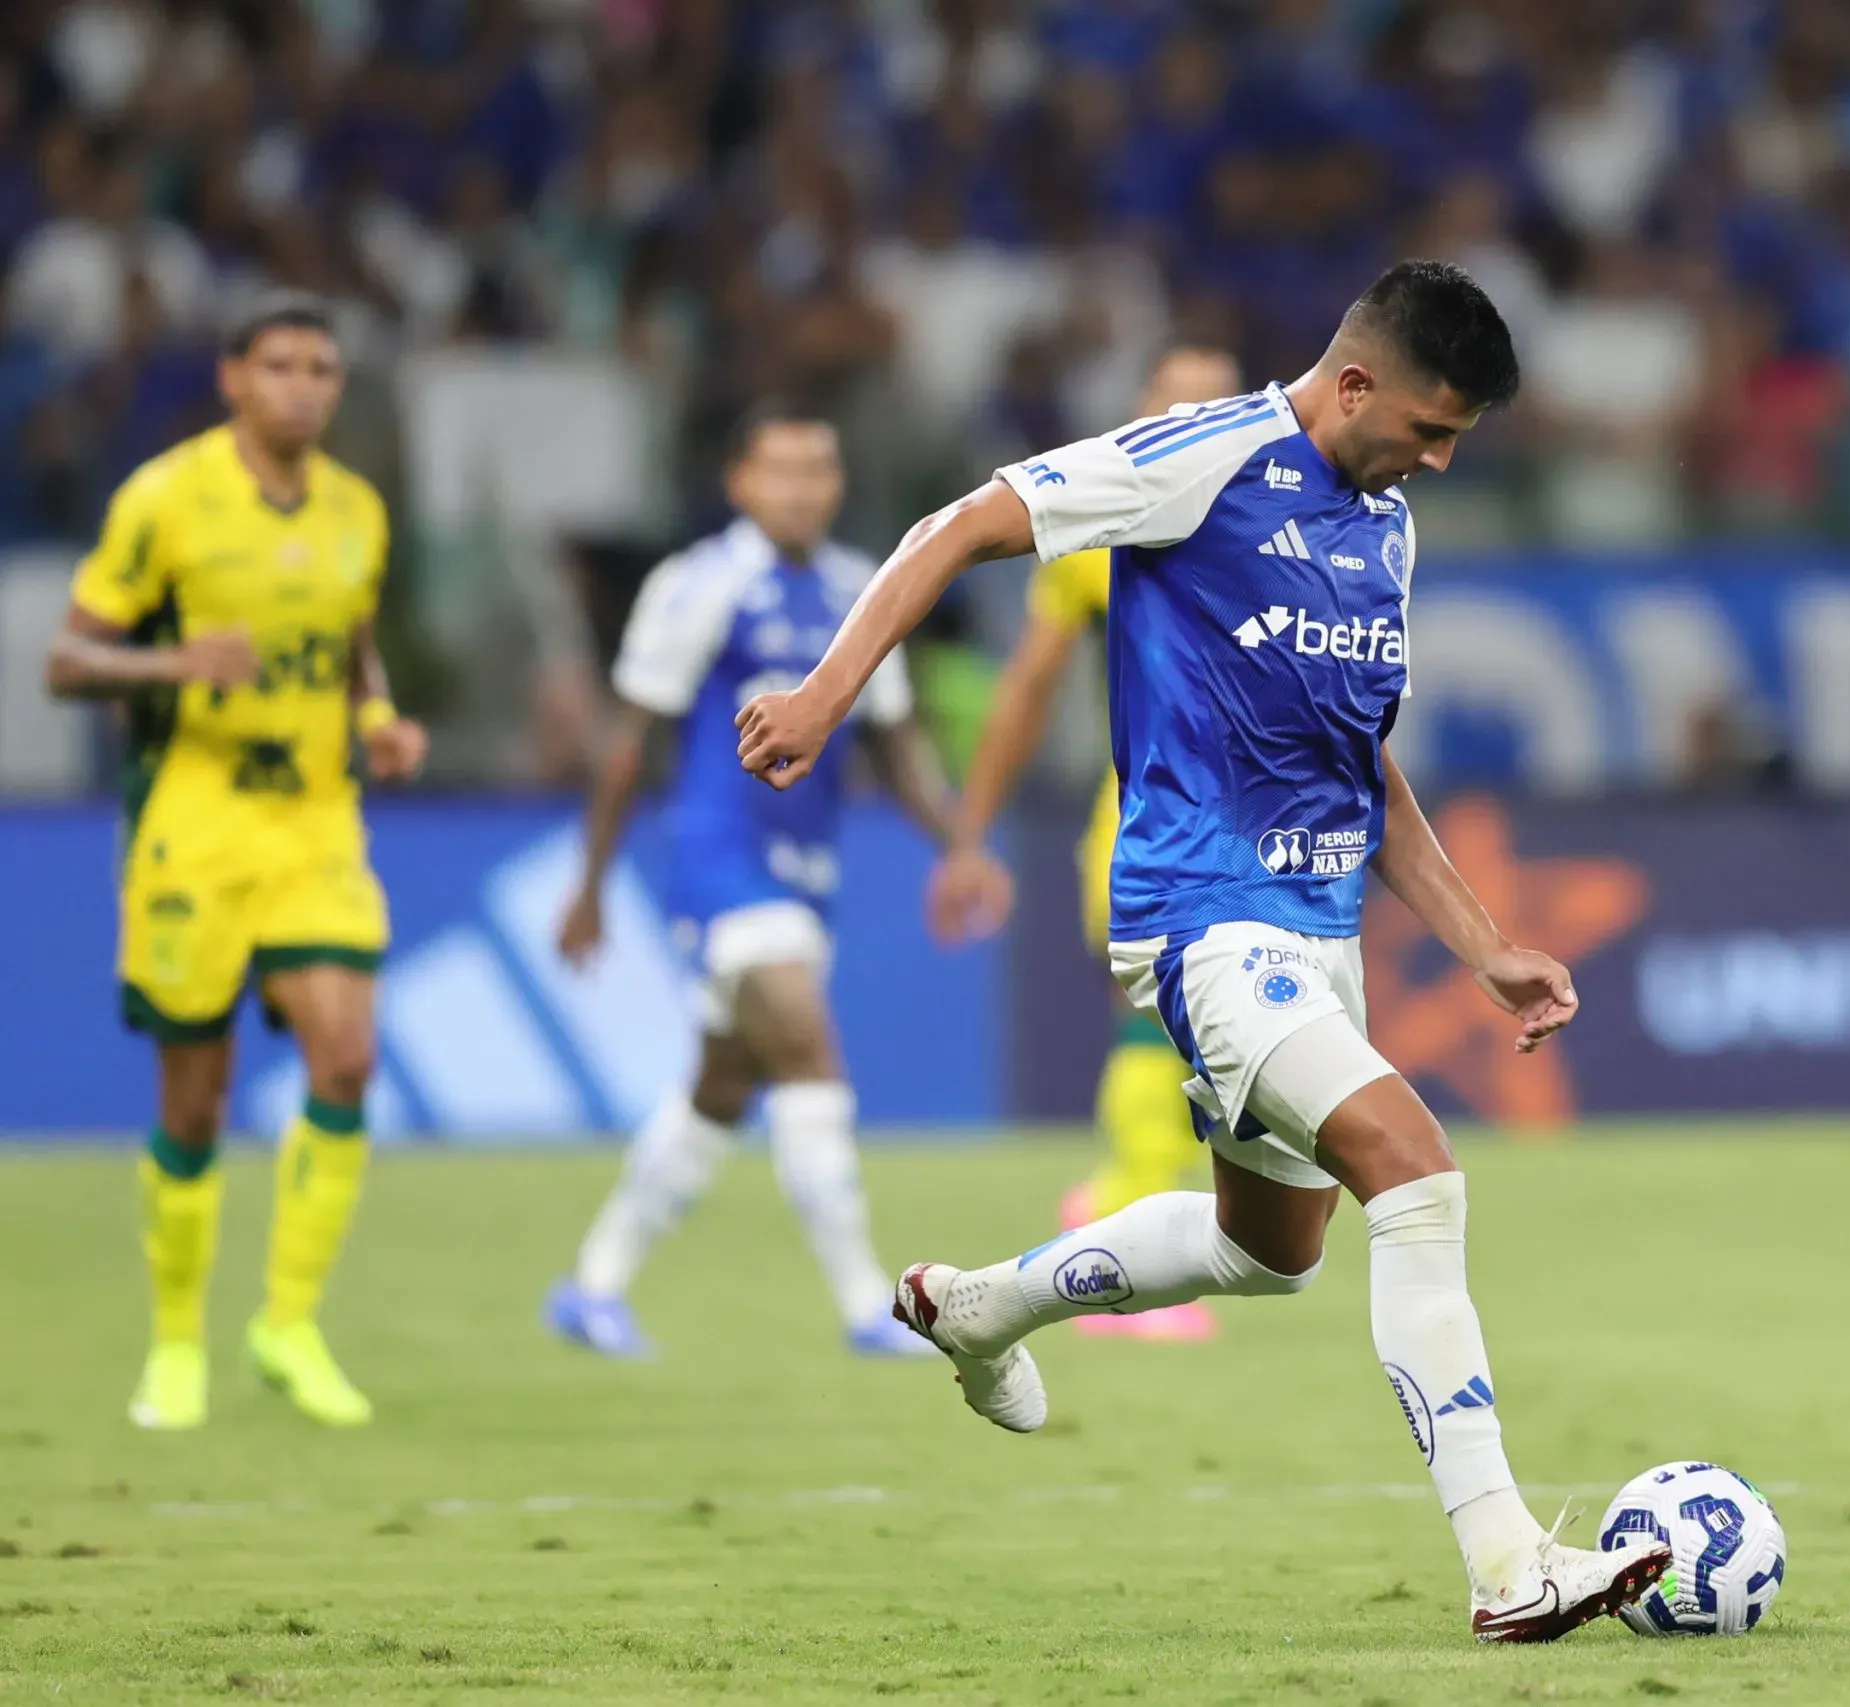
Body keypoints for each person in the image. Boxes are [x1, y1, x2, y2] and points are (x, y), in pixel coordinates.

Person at [735, 261, 1673, 1642]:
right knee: (1417, 1177)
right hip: (1201, 916)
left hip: (1314, 928)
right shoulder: (1204, 456)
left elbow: (1361, 769)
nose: (1440, 455)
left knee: (1271, 1250)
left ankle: (983, 1306)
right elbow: (956, 523)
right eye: (1427, 425)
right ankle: (1509, 1559)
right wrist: (826, 693)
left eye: (1458, 437)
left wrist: (1486, 946)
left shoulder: (1387, 527)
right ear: (1354, 380)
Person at [44, 291, 430, 1432]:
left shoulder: (358, 511)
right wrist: (176, 669)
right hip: (194, 824)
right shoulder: (164, 500)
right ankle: (175, 1343)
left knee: (348, 1059)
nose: (302, 387)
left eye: (322, 368)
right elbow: (67, 662)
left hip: (313, 825)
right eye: (280, 367)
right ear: (233, 379)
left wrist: (379, 721)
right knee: (196, 1100)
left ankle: (289, 1324)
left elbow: (352, 649)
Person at [544, 402, 992, 1361]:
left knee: (718, 1090)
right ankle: (869, 1304)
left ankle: (592, 1288)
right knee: (808, 1053)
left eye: (819, 469)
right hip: (718, 859)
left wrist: (960, 844)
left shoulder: (859, 587)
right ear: (740, 482)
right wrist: (588, 884)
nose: (802, 488)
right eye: (780, 470)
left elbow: (898, 741)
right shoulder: (700, 584)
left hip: (805, 873)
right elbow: (632, 742)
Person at [928, 341, 1243, 1344]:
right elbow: (1027, 685)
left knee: (1226, 1053)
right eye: (1174, 406)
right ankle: (1132, 1254)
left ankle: (1114, 1209)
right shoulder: (1103, 529)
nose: (1194, 424)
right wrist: (970, 827)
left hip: (1254, 829)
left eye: (1214, 406)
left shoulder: (1278, 530)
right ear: (1142, 418)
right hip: (1144, 821)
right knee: (1160, 1030)